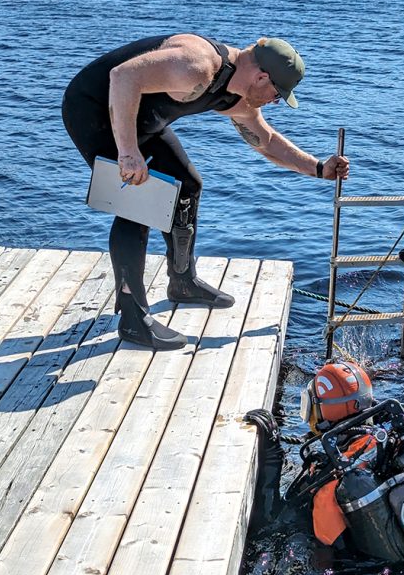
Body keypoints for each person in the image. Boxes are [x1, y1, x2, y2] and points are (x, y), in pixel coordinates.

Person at [62, 33, 349, 350]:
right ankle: (133, 320)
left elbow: (264, 141)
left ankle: (183, 281)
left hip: (144, 122)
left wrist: (318, 168)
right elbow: (123, 75)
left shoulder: (236, 96)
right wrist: (128, 153)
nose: (275, 102)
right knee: (137, 205)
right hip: (94, 111)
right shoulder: (196, 65)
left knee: (188, 184)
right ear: (261, 77)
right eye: (277, 94)